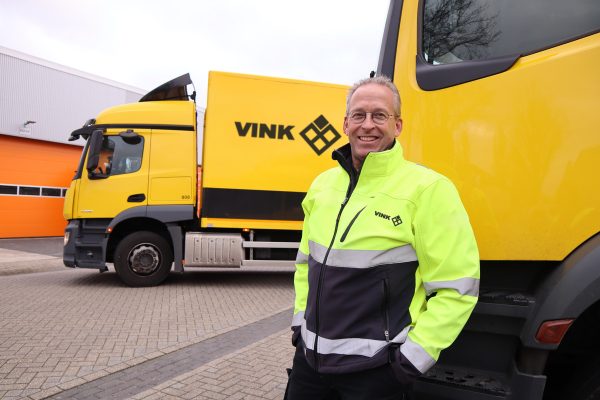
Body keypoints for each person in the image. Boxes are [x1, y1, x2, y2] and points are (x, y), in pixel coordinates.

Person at [287, 76, 480, 399]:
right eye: (359, 115)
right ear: (346, 124)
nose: (368, 125)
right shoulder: (322, 185)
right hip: (310, 366)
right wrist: (299, 328)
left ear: (397, 125)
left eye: (379, 115)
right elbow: (305, 264)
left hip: (376, 372)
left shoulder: (428, 189)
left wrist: (409, 362)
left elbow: (456, 288)